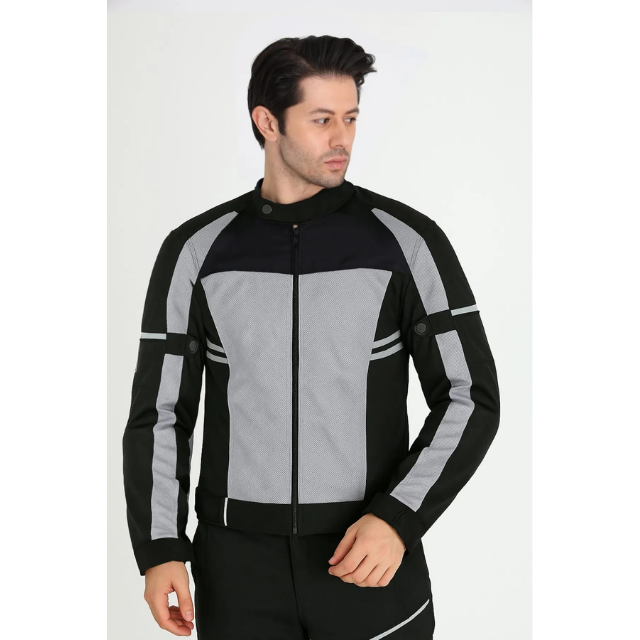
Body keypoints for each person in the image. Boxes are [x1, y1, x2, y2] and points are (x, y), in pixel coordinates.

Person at [122, 34, 501, 639]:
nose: (342, 138)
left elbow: (469, 396)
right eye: (322, 120)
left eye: (350, 118)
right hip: (237, 572)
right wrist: (160, 546)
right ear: (267, 122)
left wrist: (399, 517)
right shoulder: (196, 252)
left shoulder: (406, 242)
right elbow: (162, 412)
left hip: (367, 558)